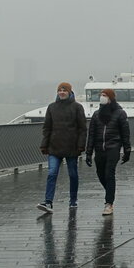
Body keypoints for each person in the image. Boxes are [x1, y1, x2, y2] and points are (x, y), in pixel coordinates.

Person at [38, 82, 87, 215]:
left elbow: (82, 128)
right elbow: (47, 128)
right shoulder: (52, 107)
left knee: (73, 174)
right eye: (60, 90)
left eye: (64, 90)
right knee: (52, 173)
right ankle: (48, 201)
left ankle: (73, 200)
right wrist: (44, 144)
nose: (62, 93)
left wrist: (81, 145)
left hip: (72, 148)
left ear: (70, 92)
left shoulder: (77, 107)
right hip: (54, 147)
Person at [86, 88, 130, 216]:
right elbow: (91, 134)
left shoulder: (120, 113)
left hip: (113, 147)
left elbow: (125, 134)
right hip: (99, 149)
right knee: (100, 173)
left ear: (111, 98)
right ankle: (110, 191)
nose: (102, 97)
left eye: (104, 95)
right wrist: (88, 153)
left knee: (109, 173)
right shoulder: (96, 114)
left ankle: (108, 203)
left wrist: (127, 151)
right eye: (101, 95)